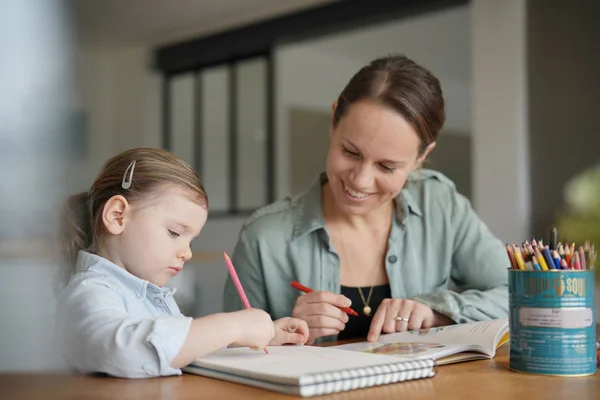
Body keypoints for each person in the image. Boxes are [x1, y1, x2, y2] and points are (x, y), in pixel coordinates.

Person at [223, 54, 509, 344]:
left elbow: (517, 294)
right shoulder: (264, 237)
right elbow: (230, 355)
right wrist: (281, 333)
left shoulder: (441, 205)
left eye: (386, 166)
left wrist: (436, 311)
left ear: (421, 156)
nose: (360, 180)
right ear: (334, 120)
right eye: (350, 152)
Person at [56, 147, 308, 378]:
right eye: (175, 233)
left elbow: (181, 348)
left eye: (191, 240)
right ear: (117, 216)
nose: (186, 253)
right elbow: (122, 350)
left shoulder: (145, 295)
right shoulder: (90, 291)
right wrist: (232, 326)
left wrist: (257, 334)